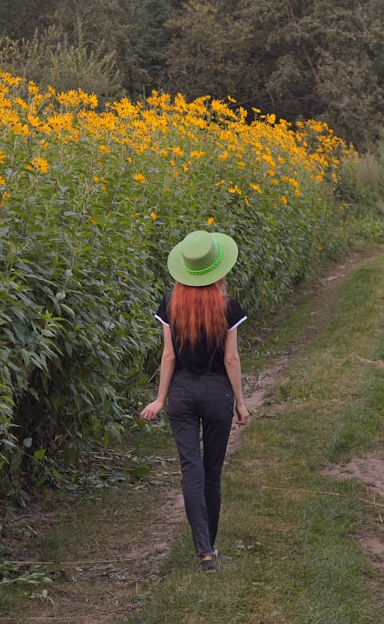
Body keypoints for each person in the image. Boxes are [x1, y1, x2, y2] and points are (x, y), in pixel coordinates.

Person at [140, 230, 250, 573]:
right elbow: (231, 360)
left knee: (191, 471)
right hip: (218, 394)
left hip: (182, 395)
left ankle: (203, 553)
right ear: (218, 269)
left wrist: (160, 399)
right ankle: (211, 549)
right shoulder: (229, 307)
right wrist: (240, 404)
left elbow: (169, 356)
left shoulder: (170, 305)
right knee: (212, 472)